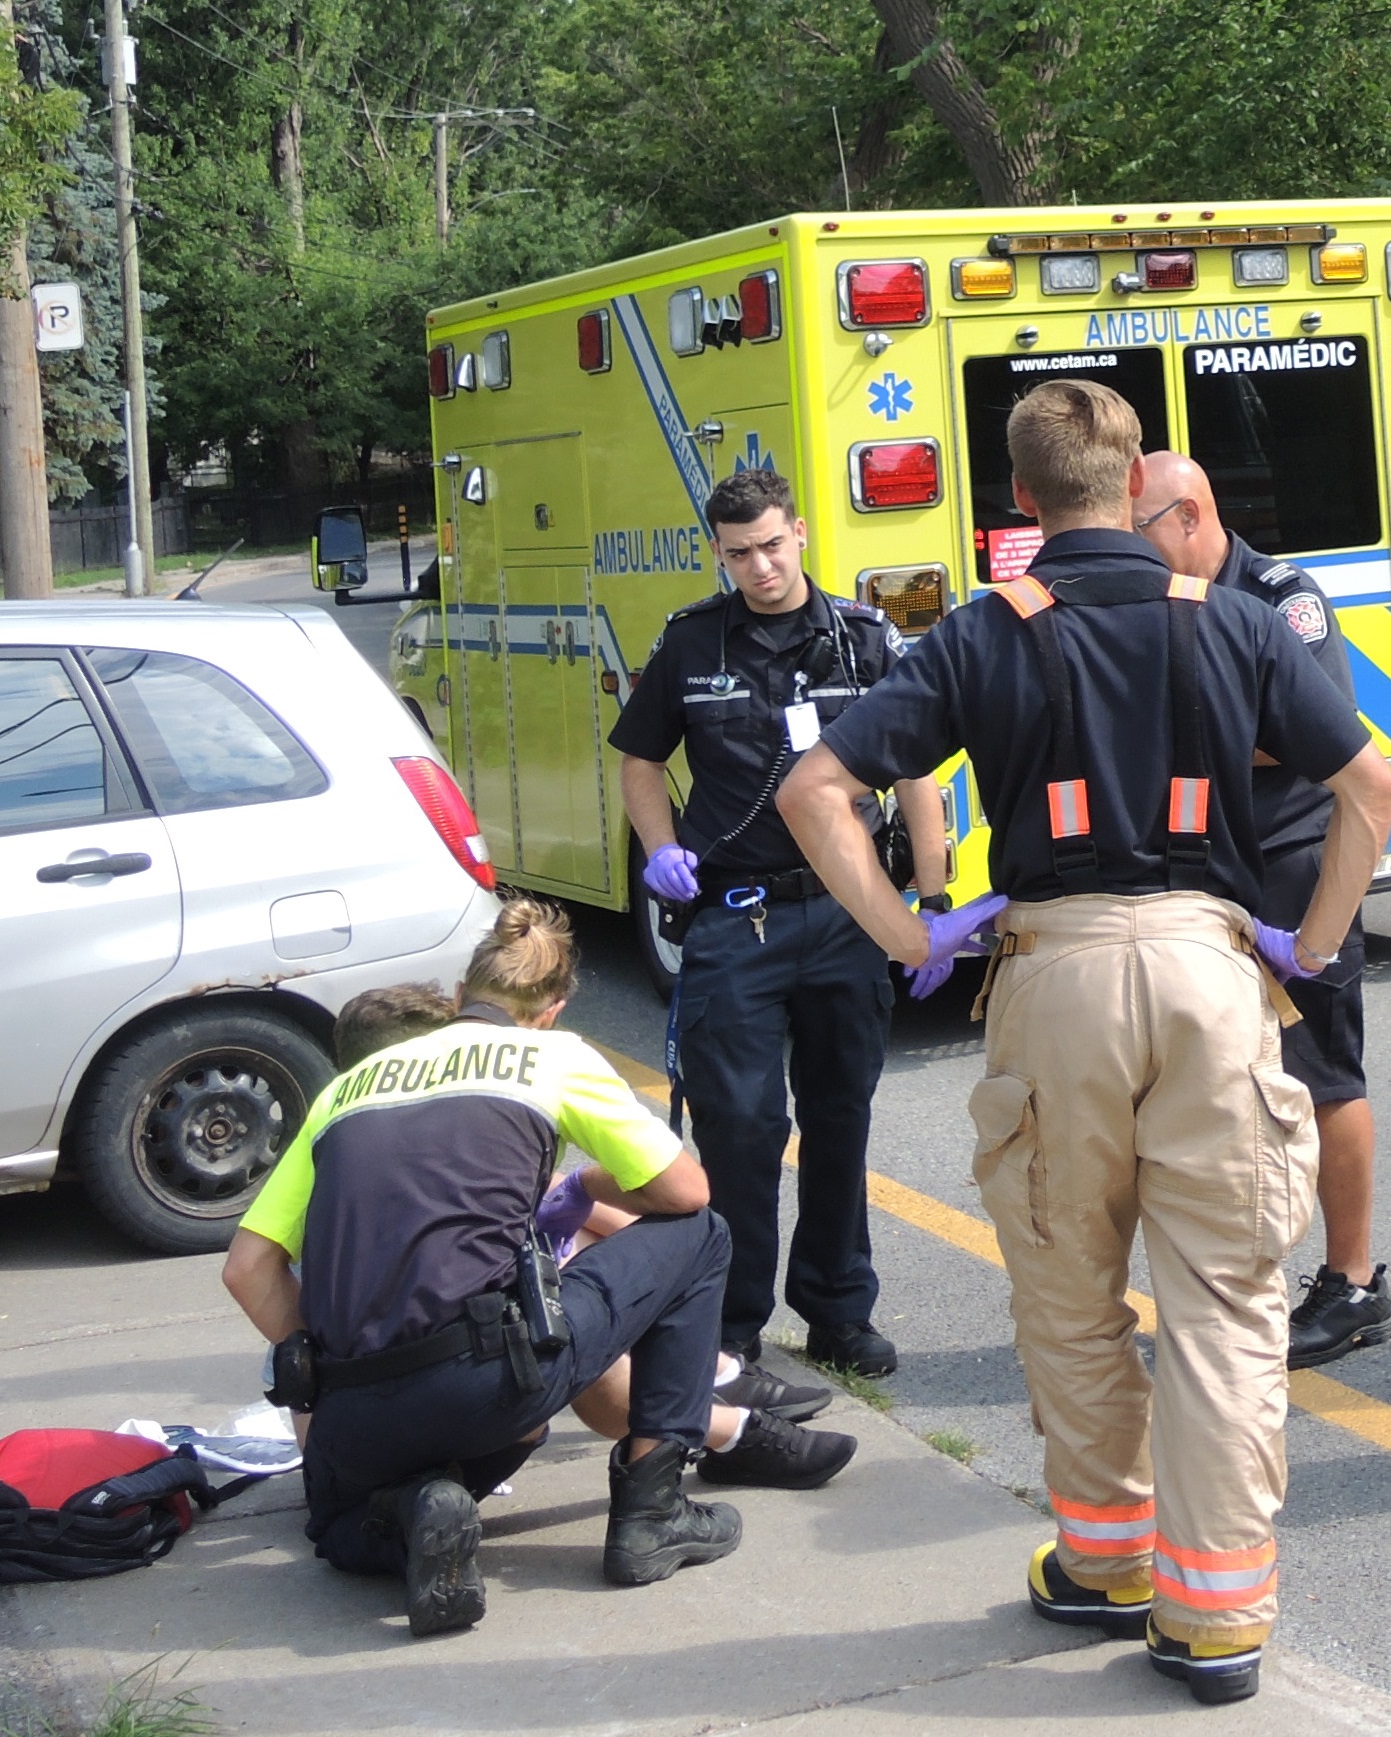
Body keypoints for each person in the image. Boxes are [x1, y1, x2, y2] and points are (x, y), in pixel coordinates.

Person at [776, 379, 1391, 1705]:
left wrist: (907, 933)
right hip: (1210, 970)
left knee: (1069, 1292)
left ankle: (1106, 1559)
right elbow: (1369, 783)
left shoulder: (977, 633)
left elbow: (815, 790)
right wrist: (1315, 940)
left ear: (1020, 499)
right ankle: (1216, 1616)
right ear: (1132, 485)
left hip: (1050, 976)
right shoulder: (1233, 620)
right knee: (1226, 1300)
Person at [223, 899, 742, 1638]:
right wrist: (587, 1183)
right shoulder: (553, 1057)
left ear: (461, 994)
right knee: (703, 1234)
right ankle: (651, 1512)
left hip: (353, 1410)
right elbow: (685, 1193)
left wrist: (334, 1365)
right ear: (551, 1011)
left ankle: (413, 1511)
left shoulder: (346, 1089)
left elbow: (247, 1269)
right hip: (489, 1382)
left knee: (339, 1530)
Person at [610, 467, 949, 1378]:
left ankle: (839, 1310)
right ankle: (731, 1326)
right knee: (742, 1126)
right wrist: (659, 848)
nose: (759, 568)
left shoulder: (863, 639)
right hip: (737, 916)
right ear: (718, 554)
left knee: (840, 1118)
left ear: (798, 532)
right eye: (738, 554)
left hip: (845, 913)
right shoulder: (693, 642)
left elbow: (914, 769)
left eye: (770, 545)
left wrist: (931, 897)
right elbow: (639, 759)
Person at [333, 983, 857, 1478]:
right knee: (564, 1306)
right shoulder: (444, 1125)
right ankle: (722, 1432)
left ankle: (709, 1378)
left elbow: (273, 1287)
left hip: (393, 1386)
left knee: (575, 1248)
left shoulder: (342, 1140)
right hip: (459, 1376)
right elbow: (684, 1192)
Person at [1132, 450, 1391, 1369]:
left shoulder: (1282, 598)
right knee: (1214, 1082)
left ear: (1189, 516)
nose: (1130, 546)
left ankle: (1353, 1283)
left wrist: (1168, 734)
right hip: (1205, 865)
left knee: (1322, 1074)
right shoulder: (1161, 599)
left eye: (1138, 529)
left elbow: (1309, 732)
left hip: (1295, 863)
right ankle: (1235, 1283)